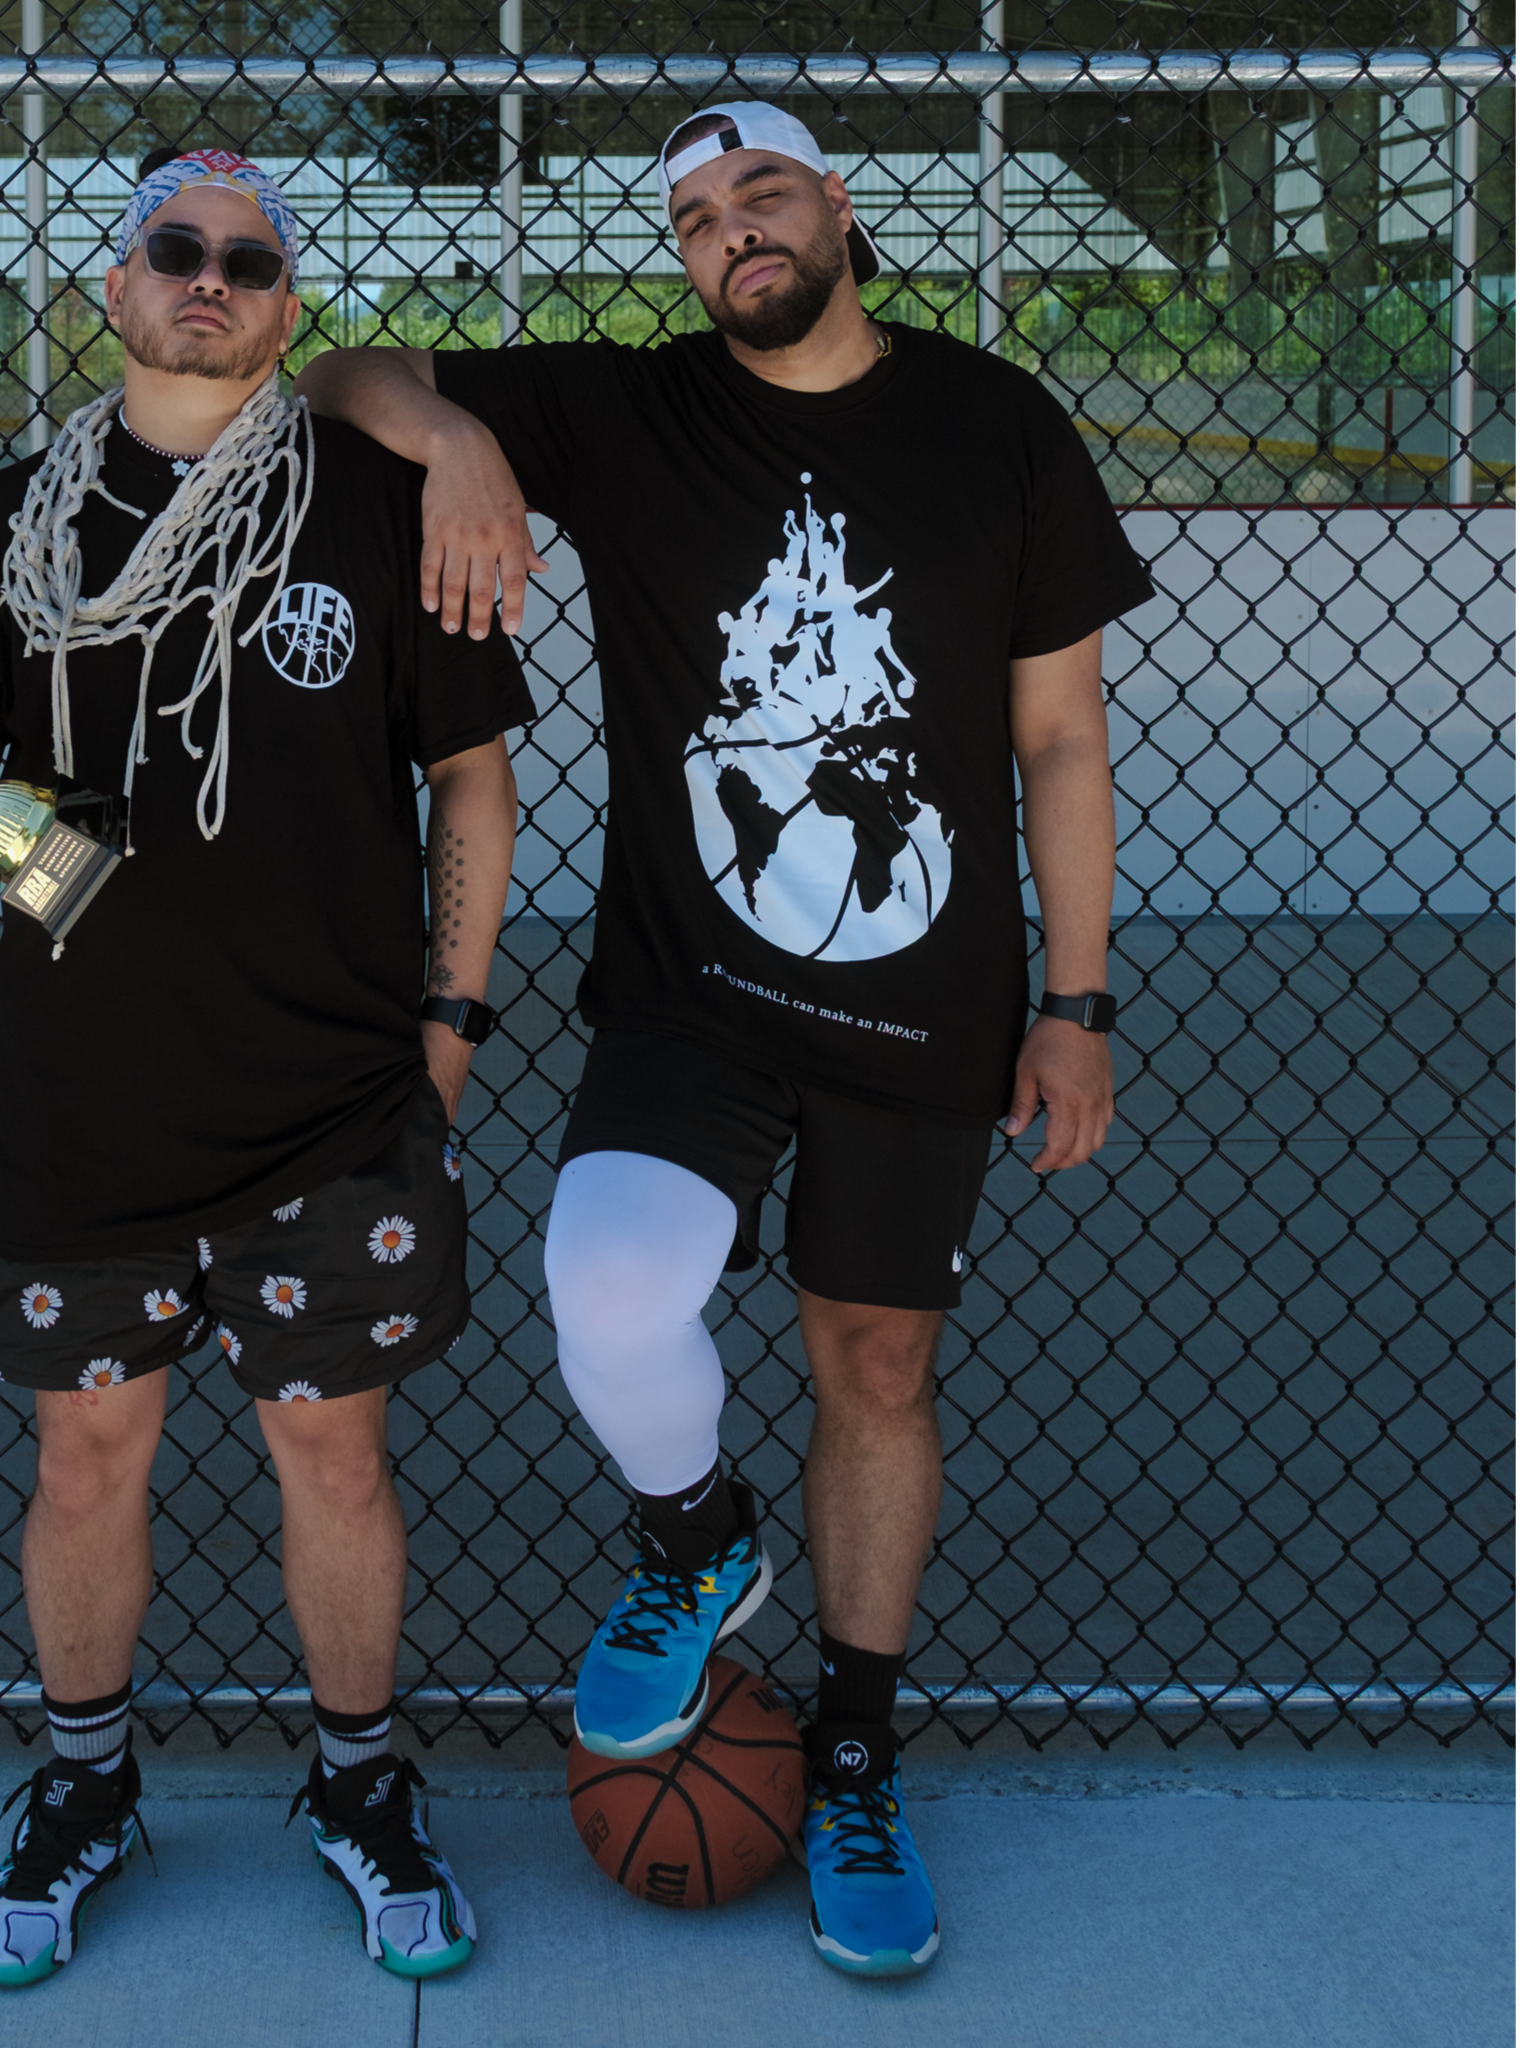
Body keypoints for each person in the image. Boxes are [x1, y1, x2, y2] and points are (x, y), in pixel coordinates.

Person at [297, 101, 1153, 1979]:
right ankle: (697, 1541)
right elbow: (344, 376)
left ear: (837, 207)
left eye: (760, 194)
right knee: (607, 1286)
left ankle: (853, 1753)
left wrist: (1077, 1002)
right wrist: (456, 440)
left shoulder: (997, 422)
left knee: (878, 1367)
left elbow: (1062, 737)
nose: (730, 233)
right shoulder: (632, 409)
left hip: (924, 988)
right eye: (694, 218)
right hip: (695, 984)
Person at [0, 145, 532, 1988]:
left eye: (247, 260)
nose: (209, 279)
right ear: (116, 287)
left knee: (336, 1457)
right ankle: (87, 1785)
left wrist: (449, 1032)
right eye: (175, 248)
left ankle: (359, 1783)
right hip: (89, 1095)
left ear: (286, 308)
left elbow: (473, 779)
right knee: (89, 1456)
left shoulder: (375, 502)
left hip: (335, 1097)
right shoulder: (9, 520)